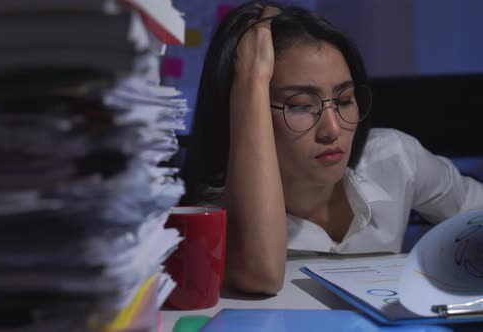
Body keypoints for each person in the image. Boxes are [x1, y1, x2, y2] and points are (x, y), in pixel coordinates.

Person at [179, 1, 483, 295]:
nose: (332, 129)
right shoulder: (215, 206)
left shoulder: (394, 156)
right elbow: (260, 275)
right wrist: (251, 81)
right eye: (299, 105)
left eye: (344, 100)